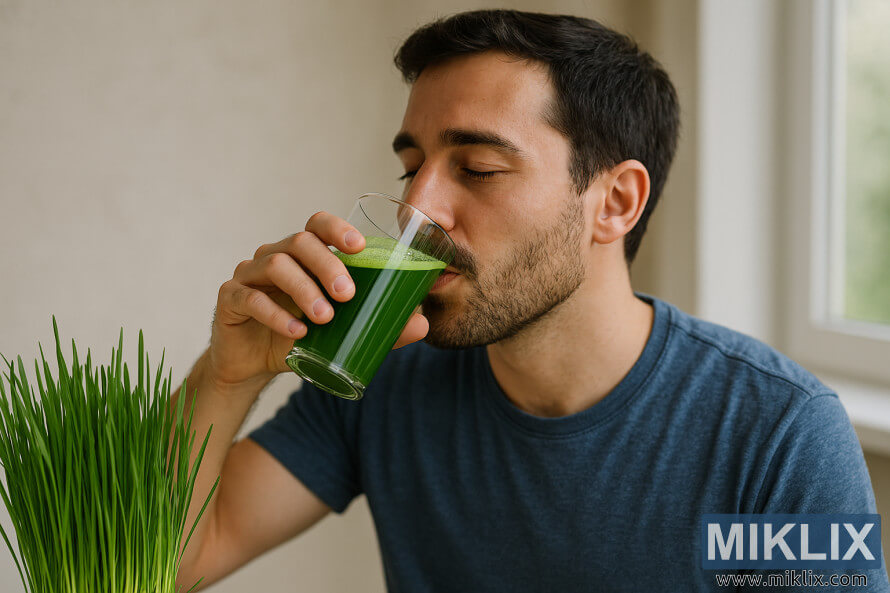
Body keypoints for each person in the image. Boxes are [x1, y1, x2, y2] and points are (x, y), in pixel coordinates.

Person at [173, 10, 889, 592]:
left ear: (615, 201)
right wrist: (228, 373)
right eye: (410, 168)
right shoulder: (385, 376)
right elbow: (172, 561)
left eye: (478, 168)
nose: (417, 209)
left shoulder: (779, 436)